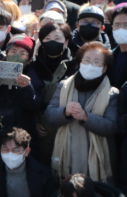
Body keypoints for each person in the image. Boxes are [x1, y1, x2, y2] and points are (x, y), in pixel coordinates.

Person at [46, 42, 119, 183]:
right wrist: (64, 112)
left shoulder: (111, 93)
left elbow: (112, 126)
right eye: (86, 60)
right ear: (80, 63)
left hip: (97, 158)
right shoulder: (63, 86)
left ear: (104, 68)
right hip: (67, 154)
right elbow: (49, 114)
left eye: (96, 62)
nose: (90, 65)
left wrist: (86, 117)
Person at [0, 34, 42, 166]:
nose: (17, 55)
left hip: (19, 138)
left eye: (23, 53)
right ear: (6, 54)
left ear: (29, 59)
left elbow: (34, 106)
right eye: (13, 51)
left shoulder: (34, 79)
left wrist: (26, 88)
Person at [32, 23, 76, 165]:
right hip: (41, 126)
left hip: (67, 124)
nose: (52, 42)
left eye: (57, 38)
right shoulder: (33, 65)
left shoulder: (76, 65)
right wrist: (36, 120)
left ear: (67, 41)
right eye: (47, 38)